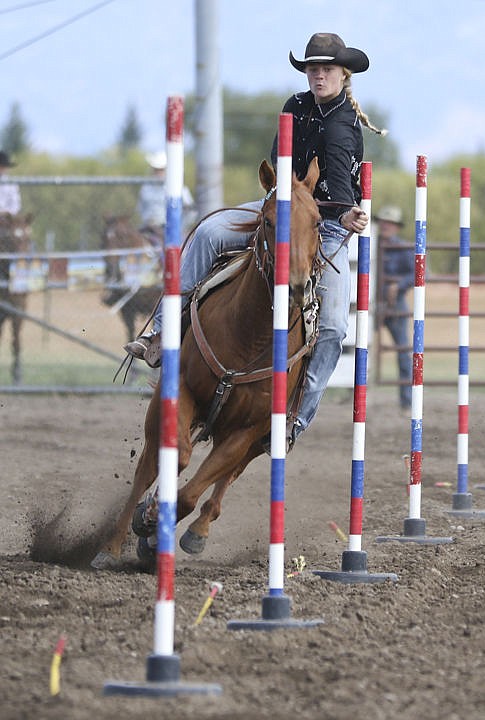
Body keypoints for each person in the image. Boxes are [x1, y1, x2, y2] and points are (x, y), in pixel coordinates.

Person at [126, 32, 385, 447]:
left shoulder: (346, 125)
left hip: (327, 224)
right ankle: (162, 330)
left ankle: (294, 419)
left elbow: (343, 192)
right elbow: (277, 160)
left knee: (335, 327)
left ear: (342, 74)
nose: (319, 76)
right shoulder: (295, 107)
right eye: (313, 69)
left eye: (327, 69)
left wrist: (350, 214)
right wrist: (279, 199)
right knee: (209, 232)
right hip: (278, 206)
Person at [374, 205, 414, 410]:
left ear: (396, 227)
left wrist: (398, 285)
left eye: (390, 223)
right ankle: (349, 391)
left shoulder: (404, 249)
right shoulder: (370, 244)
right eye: (383, 221)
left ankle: (406, 400)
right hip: (370, 302)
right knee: (352, 346)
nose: (386, 225)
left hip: (394, 303)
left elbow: (416, 273)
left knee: (403, 350)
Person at [0, 150, 21, 215]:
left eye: (4, 166)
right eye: (2, 166)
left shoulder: (11, 184)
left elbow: (16, 205)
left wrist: (5, 213)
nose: (3, 169)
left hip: (5, 219)